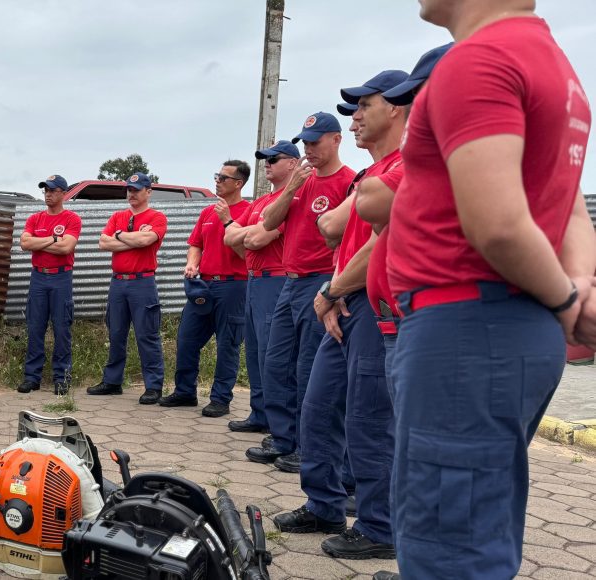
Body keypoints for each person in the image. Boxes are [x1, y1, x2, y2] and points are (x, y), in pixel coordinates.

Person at [386, 1, 592, 576]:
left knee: (450, 551)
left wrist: (566, 299)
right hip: (500, 327)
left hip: (466, 333)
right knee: (476, 530)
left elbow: (499, 224)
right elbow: (570, 205)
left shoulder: (479, 61)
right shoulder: (551, 62)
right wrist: (573, 288)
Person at [273, 70, 408, 562]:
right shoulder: (372, 174)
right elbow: (335, 233)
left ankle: (379, 525)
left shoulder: (404, 166)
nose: (354, 119)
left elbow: (381, 243)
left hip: (373, 308)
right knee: (318, 408)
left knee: (369, 421)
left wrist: (332, 289)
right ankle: (325, 505)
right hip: (346, 304)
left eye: (363, 107)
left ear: (394, 107)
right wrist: (335, 291)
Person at [353, 44, 452, 580]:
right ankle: (422, 562)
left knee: (429, 456)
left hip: (433, 320)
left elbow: (371, 203)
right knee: (420, 453)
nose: (415, 112)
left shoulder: (428, 158)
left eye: (415, 99)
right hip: (408, 317)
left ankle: (412, 552)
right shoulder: (427, 159)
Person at [245, 112, 355, 471]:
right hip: (290, 282)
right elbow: (270, 222)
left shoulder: (348, 181)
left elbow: (349, 240)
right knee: (275, 362)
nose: (309, 149)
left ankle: (310, 447)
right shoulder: (302, 181)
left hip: (320, 281)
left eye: (315, 141)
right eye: (305, 142)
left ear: (336, 139)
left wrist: (335, 288)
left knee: (309, 367)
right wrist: (291, 186)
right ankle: (284, 438)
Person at [160, 161, 251, 417]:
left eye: (223, 177)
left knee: (228, 344)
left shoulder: (250, 211)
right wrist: (192, 264)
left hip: (234, 286)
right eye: (217, 175)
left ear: (238, 183)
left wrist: (227, 221)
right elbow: (196, 244)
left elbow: (248, 249)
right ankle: (185, 392)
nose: (218, 180)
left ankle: (220, 399)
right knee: (186, 338)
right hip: (204, 285)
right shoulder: (207, 212)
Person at [224, 141, 299, 435]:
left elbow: (256, 240)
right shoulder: (260, 202)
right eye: (265, 160)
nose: (267, 164)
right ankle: (260, 413)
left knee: (274, 354)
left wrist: (245, 234)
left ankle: (281, 423)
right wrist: (246, 233)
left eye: (274, 159)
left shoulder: (290, 198)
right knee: (254, 351)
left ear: (293, 163)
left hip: (276, 278)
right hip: (254, 278)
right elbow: (230, 237)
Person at [87, 173, 168, 404]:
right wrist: (132, 238)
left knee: (147, 335)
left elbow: (145, 241)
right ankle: (112, 382)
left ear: (148, 192)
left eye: (137, 190)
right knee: (116, 333)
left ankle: (153, 386)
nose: (131, 194)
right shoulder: (117, 215)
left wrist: (120, 235)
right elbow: (103, 242)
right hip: (118, 282)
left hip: (142, 282)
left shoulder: (157, 217)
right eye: (129, 190)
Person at [19, 174, 81, 395]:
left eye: (53, 190)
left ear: (63, 193)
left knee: (61, 328)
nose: (48, 194)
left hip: (61, 278)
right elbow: (24, 243)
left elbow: (67, 248)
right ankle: (32, 377)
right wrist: (54, 240)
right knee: (35, 327)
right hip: (38, 277)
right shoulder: (35, 219)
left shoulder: (72, 219)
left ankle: (61, 378)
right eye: (46, 190)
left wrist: (40, 243)